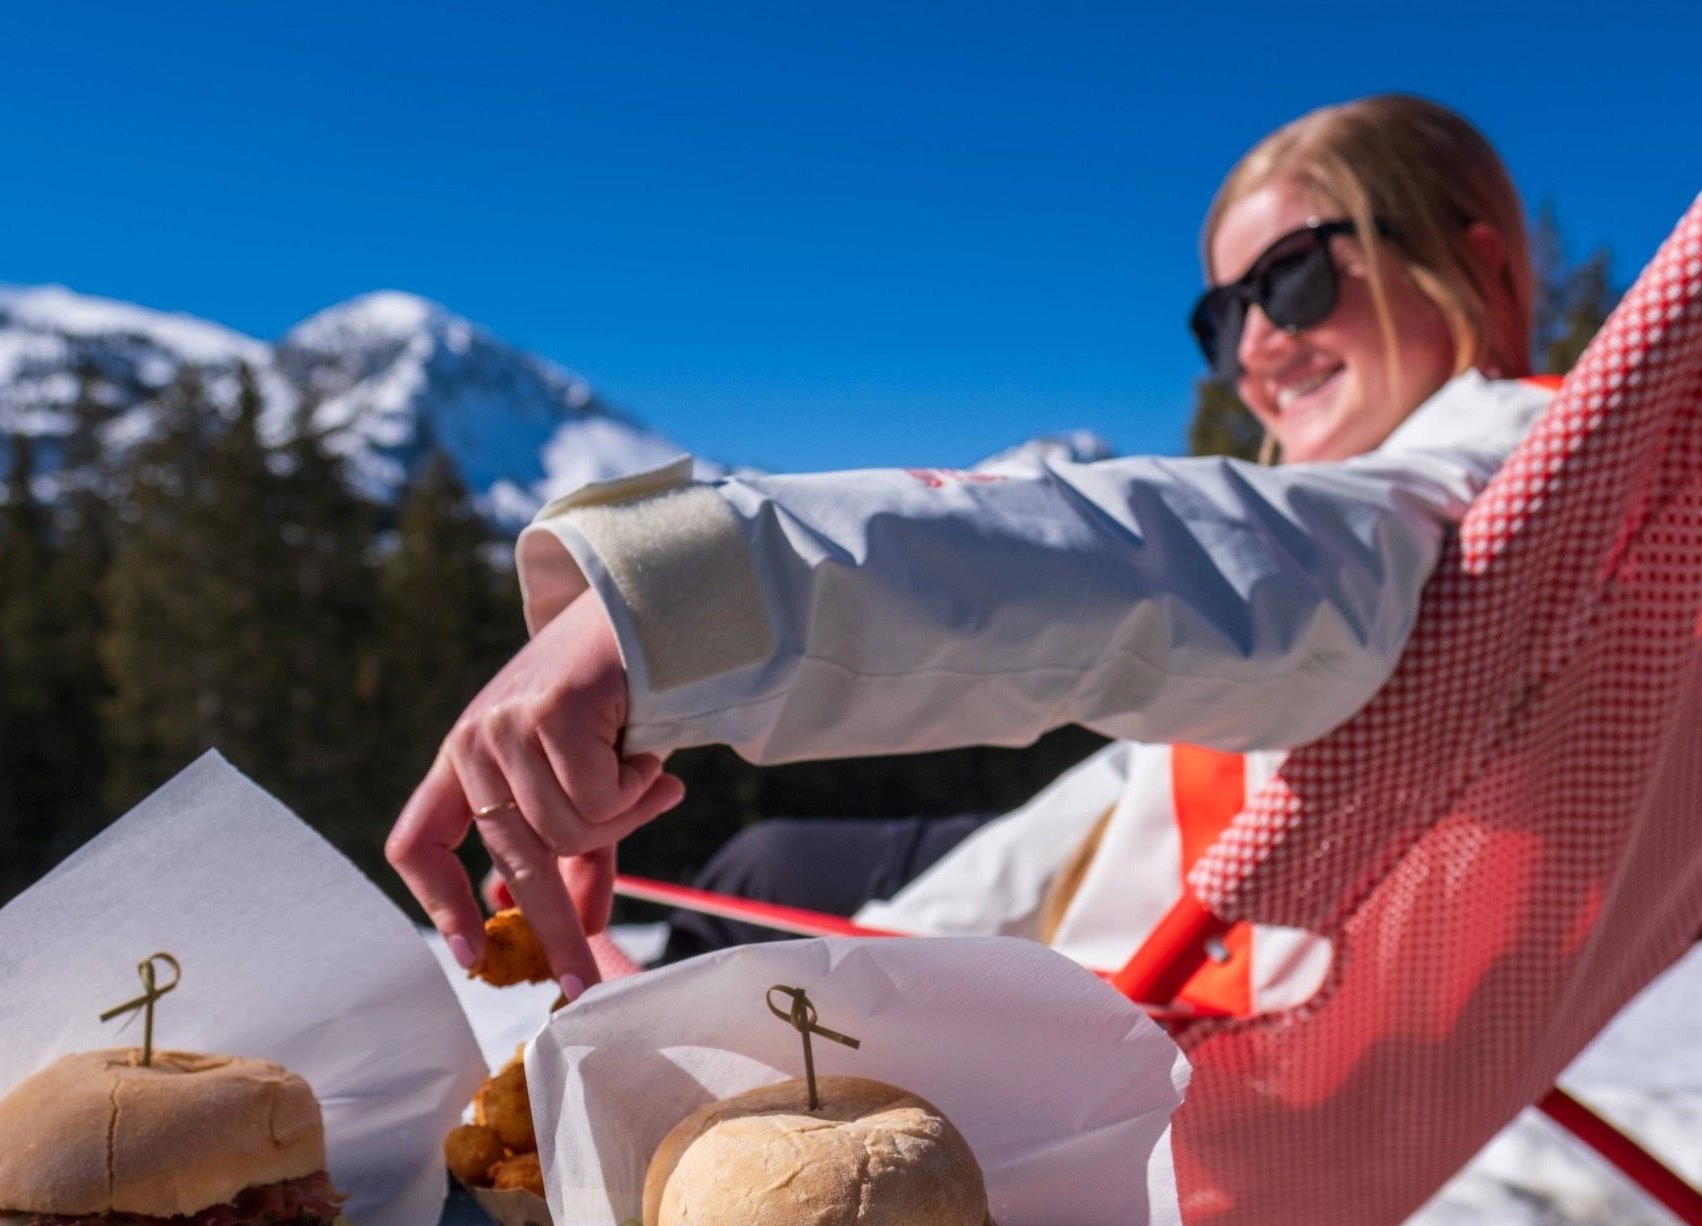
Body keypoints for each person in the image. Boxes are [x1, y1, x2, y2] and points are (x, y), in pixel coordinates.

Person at [387, 94, 1548, 1010]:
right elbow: (1121, 793)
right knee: (765, 857)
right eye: (1220, 314)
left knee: (742, 892)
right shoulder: (1478, 514)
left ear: (1477, 261)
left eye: (1290, 277)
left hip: (1171, 986)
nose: (1254, 343)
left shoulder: (1476, 486)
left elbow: (1168, 568)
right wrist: (907, 935)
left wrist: (685, 602)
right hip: (1143, 897)